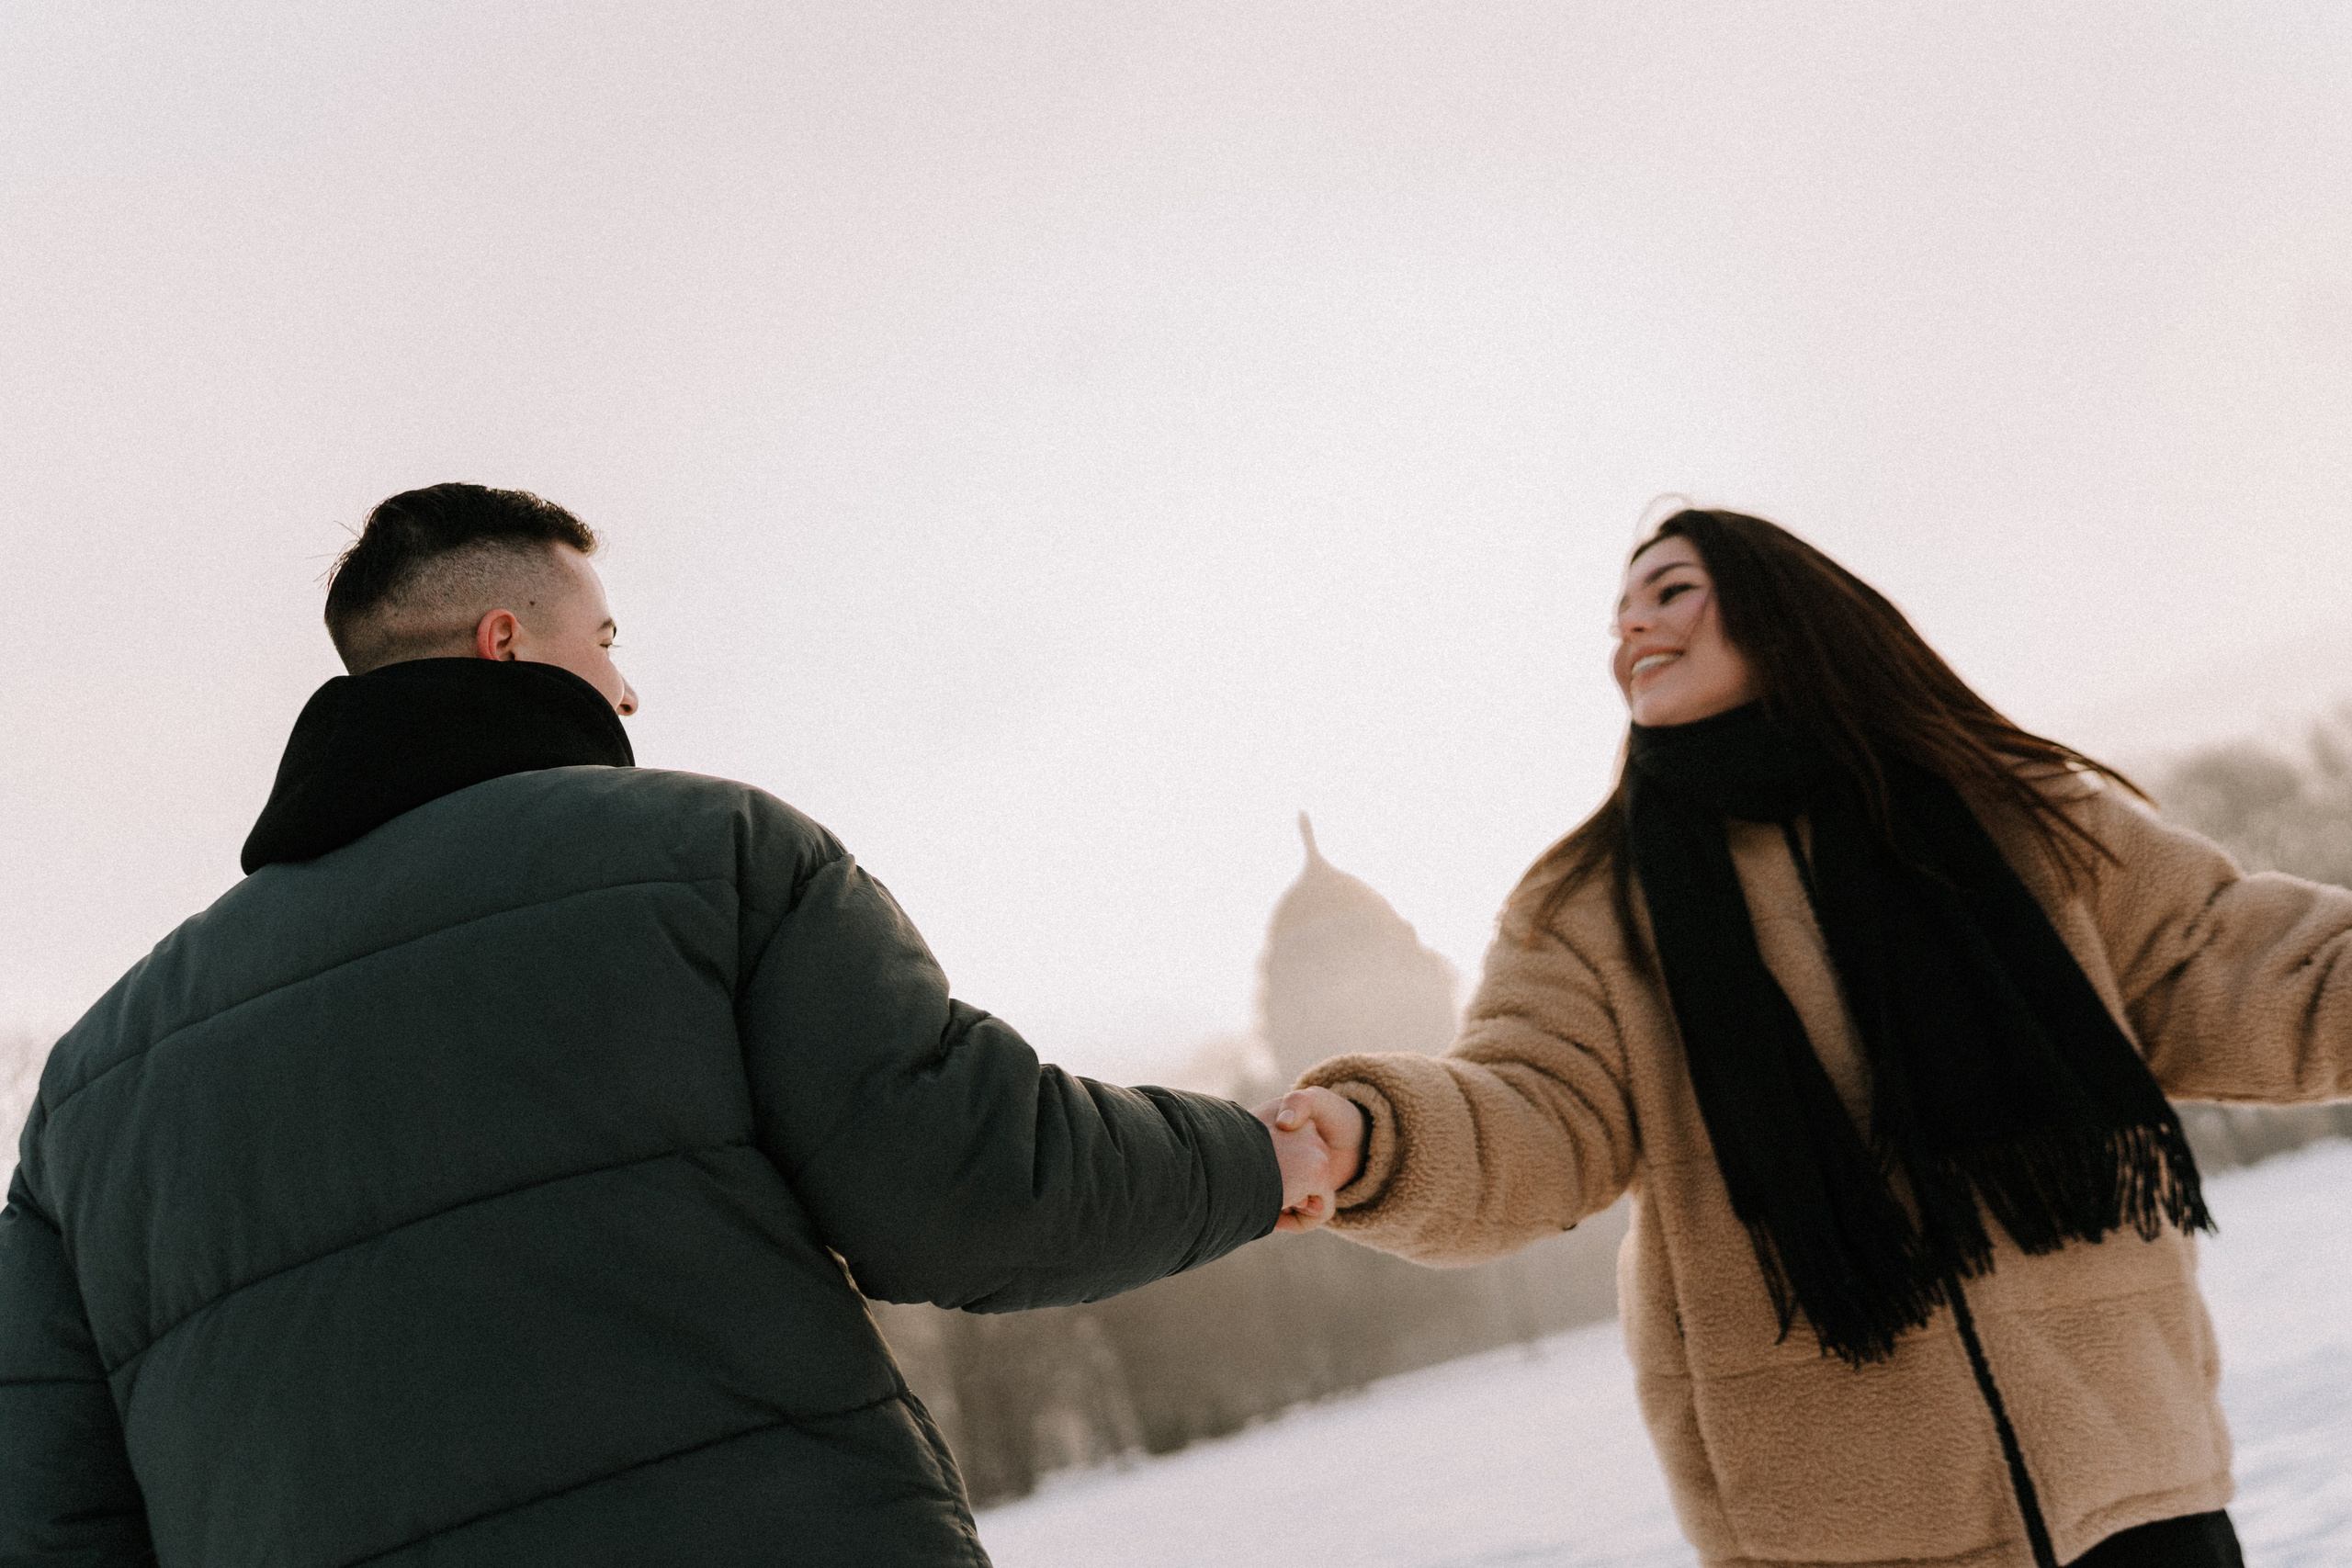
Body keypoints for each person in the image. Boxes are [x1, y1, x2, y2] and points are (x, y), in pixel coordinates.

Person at [0, 482, 1353, 1568]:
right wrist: (1262, 1160)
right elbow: (971, 1180)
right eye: (607, 642)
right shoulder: (711, 858)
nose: (629, 690)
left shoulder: (91, 1087)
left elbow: (51, 1510)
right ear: (505, 643)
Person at [1269, 509, 2352, 1568]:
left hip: (2138, 1494)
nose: (1630, 631)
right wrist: (1375, 1134)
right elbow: (1538, 1109)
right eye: (1617, 616)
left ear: (1784, 606)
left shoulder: (2011, 816)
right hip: (1836, 1541)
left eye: (1670, 591)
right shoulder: (1588, 907)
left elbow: (2230, 962)